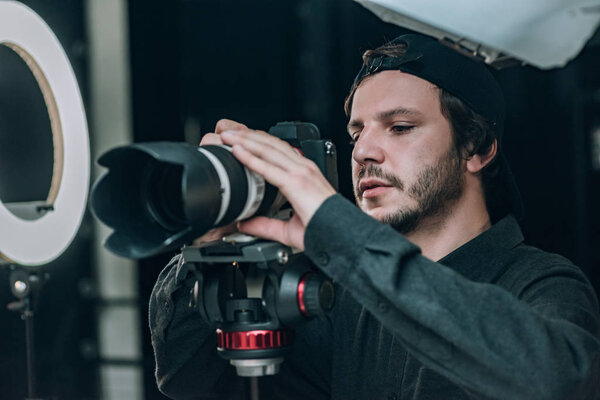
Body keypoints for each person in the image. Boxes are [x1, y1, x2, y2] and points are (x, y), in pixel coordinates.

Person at [149, 34, 600, 399]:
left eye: (400, 127)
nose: (363, 151)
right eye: (356, 133)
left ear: (477, 149)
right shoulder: (343, 301)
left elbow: (552, 380)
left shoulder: (543, 284)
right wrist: (208, 245)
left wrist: (336, 229)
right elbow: (194, 381)